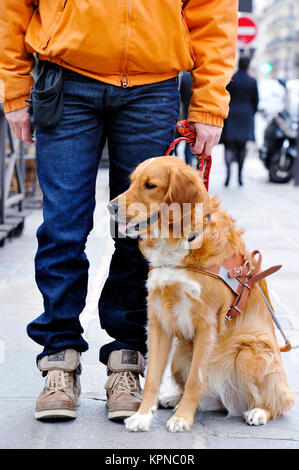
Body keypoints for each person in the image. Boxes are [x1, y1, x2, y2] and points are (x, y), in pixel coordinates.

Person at [0, 1, 238, 421]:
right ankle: (59, 359)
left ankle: (126, 361)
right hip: (67, 78)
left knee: (140, 235)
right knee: (62, 228)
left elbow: (214, 11)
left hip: (154, 85)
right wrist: (15, 87)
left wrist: (209, 102)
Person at [221, 56, 259, 186]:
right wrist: (250, 113)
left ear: (238, 64)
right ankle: (239, 176)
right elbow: (256, 101)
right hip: (245, 116)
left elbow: (224, 97)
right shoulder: (252, 81)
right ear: (248, 65)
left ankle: (228, 175)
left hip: (231, 114)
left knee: (228, 147)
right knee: (242, 148)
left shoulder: (232, 79)